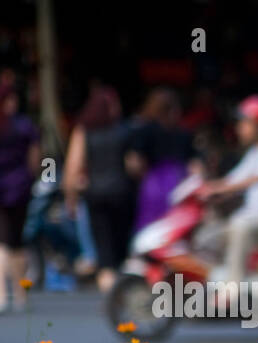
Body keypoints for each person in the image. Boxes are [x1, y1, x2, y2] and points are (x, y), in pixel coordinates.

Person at [196, 95, 258, 286]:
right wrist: (207, 188)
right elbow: (233, 179)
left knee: (240, 226)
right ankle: (216, 281)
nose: (239, 128)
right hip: (254, 217)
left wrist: (221, 188)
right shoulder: (256, 151)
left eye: (245, 123)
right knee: (208, 236)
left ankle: (233, 288)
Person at [64, 85, 136, 293]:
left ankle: (109, 292)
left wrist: (70, 197)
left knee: (103, 251)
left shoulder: (84, 132)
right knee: (120, 247)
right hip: (122, 193)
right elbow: (134, 165)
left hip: (95, 194)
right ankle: (120, 294)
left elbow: (73, 167)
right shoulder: (123, 131)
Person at [126, 87, 202, 231]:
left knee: (152, 228)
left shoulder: (145, 130)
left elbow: (135, 162)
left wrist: (139, 179)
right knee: (174, 227)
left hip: (153, 184)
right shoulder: (183, 133)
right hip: (179, 181)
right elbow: (195, 165)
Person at [0, 81, 39, 312]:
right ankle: (20, 293)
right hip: (19, 188)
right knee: (17, 241)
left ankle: (2, 295)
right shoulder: (24, 126)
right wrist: (32, 178)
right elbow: (37, 159)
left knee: (3, 242)